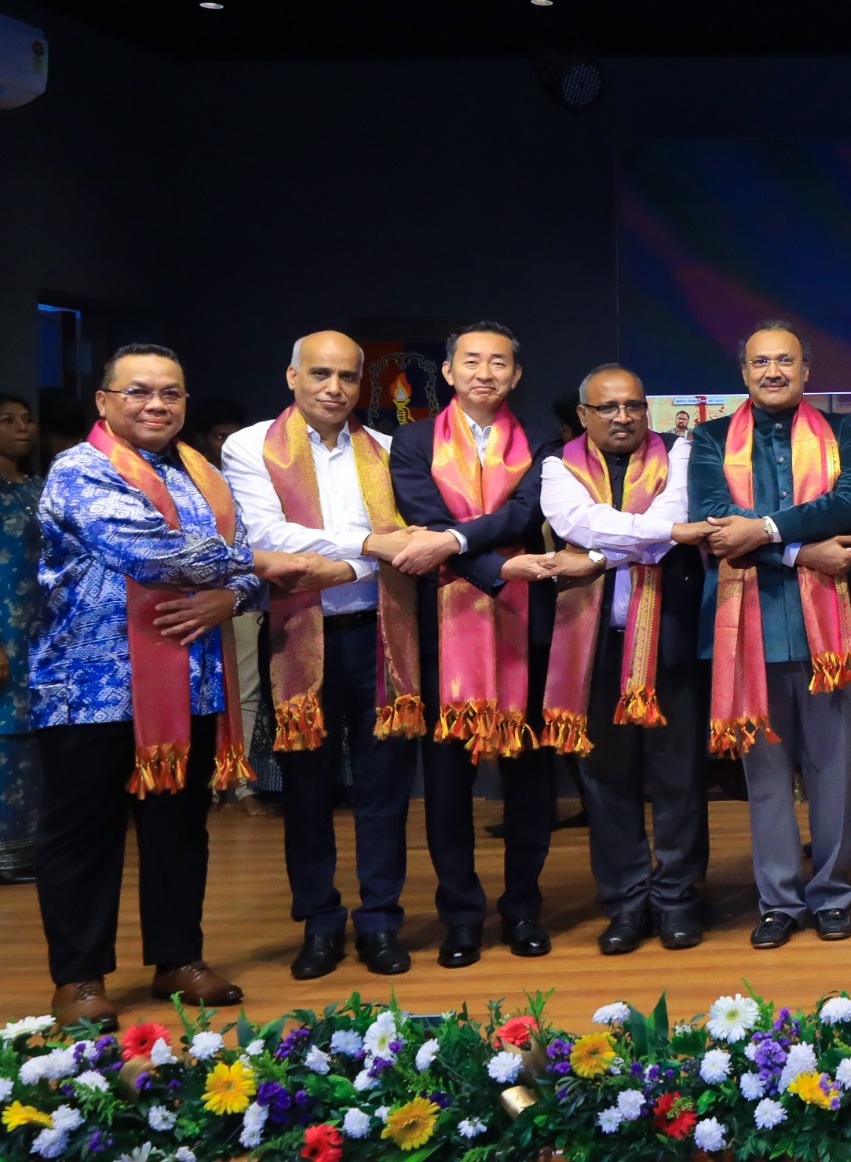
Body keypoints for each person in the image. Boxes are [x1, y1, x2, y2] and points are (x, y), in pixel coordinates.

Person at [32, 344, 314, 1024]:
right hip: (89, 687)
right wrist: (262, 564)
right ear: (104, 401)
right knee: (84, 835)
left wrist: (232, 595)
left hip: (190, 682)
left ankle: (178, 959)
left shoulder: (199, 473)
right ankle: (80, 979)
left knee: (179, 829)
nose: (156, 404)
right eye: (138, 391)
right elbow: (154, 551)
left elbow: (231, 574)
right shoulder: (80, 470)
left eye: (170, 393)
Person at [220, 331, 428, 978]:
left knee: (383, 789)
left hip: (381, 633)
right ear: (292, 376)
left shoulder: (389, 450)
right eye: (320, 374)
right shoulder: (250, 446)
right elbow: (267, 537)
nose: (334, 388)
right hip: (296, 635)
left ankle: (380, 921)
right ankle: (319, 922)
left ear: (362, 383)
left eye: (347, 376)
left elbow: (409, 539)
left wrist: (342, 560)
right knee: (306, 791)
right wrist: (369, 546)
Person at [387, 320, 571, 968]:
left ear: (515, 375)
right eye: (471, 361)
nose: (484, 373)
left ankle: (522, 909)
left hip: (525, 621)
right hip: (442, 627)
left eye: (498, 362)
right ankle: (461, 917)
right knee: (446, 785)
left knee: (529, 780)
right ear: (448, 371)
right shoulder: (411, 441)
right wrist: (492, 564)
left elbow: (525, 512)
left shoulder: (544, 441)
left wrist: (459, 543)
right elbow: (424, 520)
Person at [688, 321, 851, 949]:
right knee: (765, 776)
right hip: (748, 630)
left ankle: (832, 894)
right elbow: (715, 525)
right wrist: (800, 551)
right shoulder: (710, 439)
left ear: (806, 371)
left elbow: (849, 506)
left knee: (834, 770)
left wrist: (765, 531)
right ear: (744, 373)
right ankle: (778, 901)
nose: (773, 372)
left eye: (785, 361)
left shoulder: (842, 432)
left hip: (837, 631)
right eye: (760, 362)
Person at [538, 364, 717, 953]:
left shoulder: (681, 455)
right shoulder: (558, 466)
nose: (623, 417)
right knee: (606, 781)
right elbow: (579, 521)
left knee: (679, 777)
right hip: (593, 644)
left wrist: (596, 555)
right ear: (583, 415)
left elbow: (672, 526)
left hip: (669, 638)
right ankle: (625, 901)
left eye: (634, 406)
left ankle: (678, 898)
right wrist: (651, 534)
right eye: (608, 408)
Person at [0, 394, 44, 886]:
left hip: (40, 630)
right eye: (7, 420)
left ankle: (30, 850)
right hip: (4, 630)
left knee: (34, 736)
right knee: (6, 736)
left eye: (27, 419)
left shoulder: (36, 487)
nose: (22, 428)